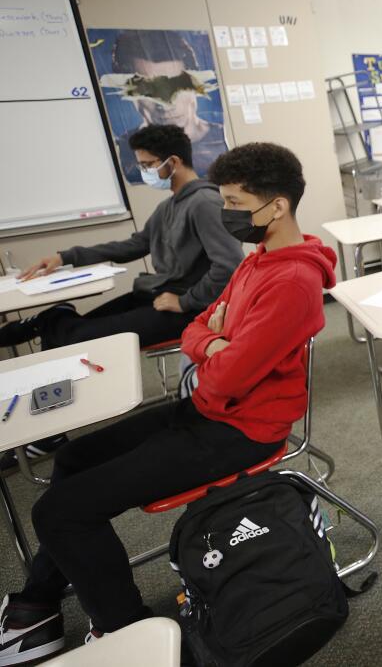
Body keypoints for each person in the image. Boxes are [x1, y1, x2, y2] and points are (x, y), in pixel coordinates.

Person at [0, 142, 336, 664]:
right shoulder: (258, 261)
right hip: (206, 411)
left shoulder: (293, 279)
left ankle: (126, 634)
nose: (226, 213)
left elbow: (224, 378)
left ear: (278, 206)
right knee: (71, 460)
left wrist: (216, 347)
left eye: (233, 202)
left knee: (59, 512)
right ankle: (40, 603)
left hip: (241, 431)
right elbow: (196, 328)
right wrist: (214, 341)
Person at [0, 124, 243, 469]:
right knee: (66, 326)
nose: (143, 171)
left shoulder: (204, 202)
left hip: (185, 308)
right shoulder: (170, 206)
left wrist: (186, 301)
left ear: (172, 162)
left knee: (75, 336)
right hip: (156, 294)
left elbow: (230, 266)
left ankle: (47, 422)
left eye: (147, 164)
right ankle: (48, 418)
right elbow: (133, 245)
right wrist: (65, 256)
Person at [109, 30, 228, 182]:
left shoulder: (224, 143)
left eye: (176, 86)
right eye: (149, 90)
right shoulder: (123, 150)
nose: (166, 104)